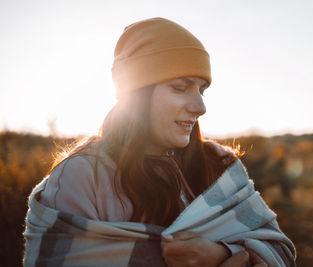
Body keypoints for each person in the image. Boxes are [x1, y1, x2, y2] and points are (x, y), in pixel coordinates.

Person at [23, 17, 296, 267]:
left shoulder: (218, 166)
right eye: (180, 88)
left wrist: (222, 255)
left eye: (202, 90)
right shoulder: (80, 177)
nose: (200, 107)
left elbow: (280, 251)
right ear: (137, 94)